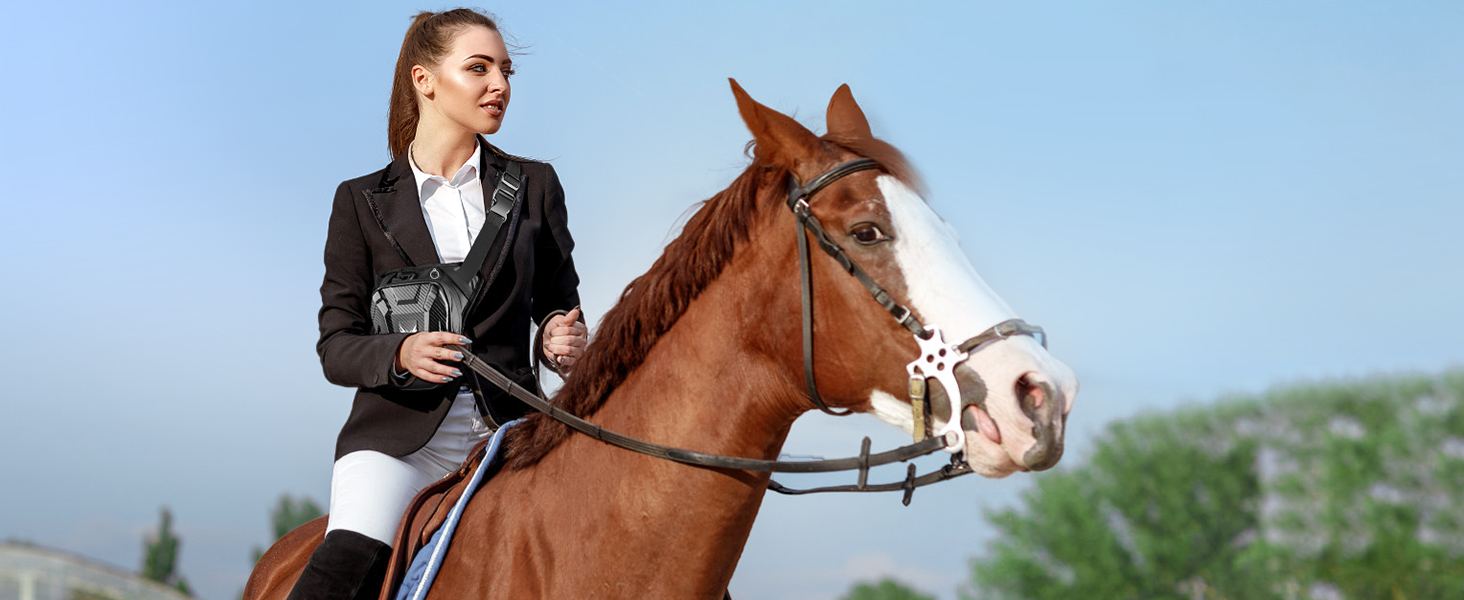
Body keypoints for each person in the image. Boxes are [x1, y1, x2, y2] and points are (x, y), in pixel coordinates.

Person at [296, 9, 588, 600]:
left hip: (516, 434)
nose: (499, 85)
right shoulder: (358, 201)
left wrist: (560, 335)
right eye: (478, 68)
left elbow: (560, 305)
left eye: (505, 70)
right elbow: (336, 346)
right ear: (423, 80)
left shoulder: (537, 185)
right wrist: (401, 351)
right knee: (340, 574)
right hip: (398, 445)